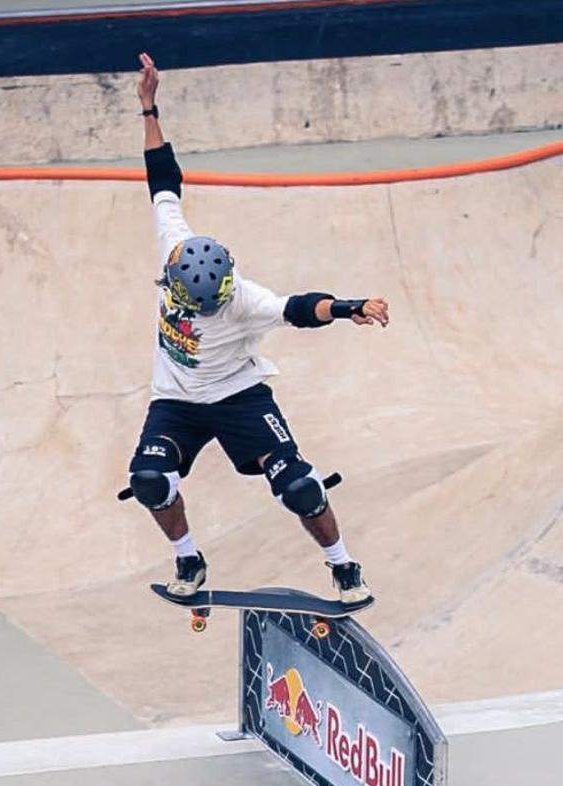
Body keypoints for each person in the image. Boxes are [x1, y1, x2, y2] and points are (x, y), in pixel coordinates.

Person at [128, 52, 389, 603]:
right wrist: (149, 108)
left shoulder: (245, 300)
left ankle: (343, 567)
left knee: (298, 486)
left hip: (239, 396)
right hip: (174, 402)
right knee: (150, 481)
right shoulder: (173, 246)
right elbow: (163, 180)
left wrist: (349, 306)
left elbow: (299, 308)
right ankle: (189, 561)